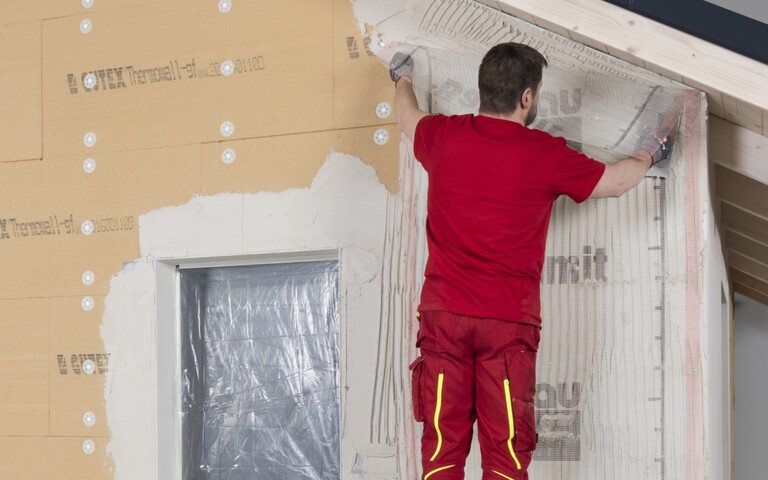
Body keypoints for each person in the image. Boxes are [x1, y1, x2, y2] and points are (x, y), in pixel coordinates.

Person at [390, 42, 673, 480]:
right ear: (526, 98)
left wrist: (401, 78)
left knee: (441, 454)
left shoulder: (441, 136)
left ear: (483, 89)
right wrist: (651, 150)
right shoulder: (544, 154)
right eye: (537, 92)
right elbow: (616, 182)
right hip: (506, 327)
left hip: (443, 318)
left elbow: (406, 117)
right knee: (505, 459)